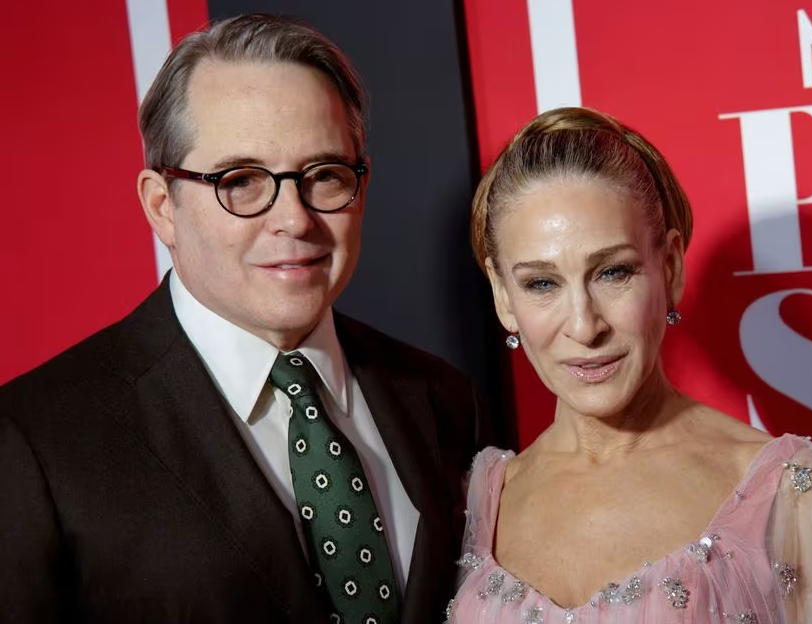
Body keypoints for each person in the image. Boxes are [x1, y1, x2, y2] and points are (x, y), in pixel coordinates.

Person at [0, 14, 489, 624]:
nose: (294, 219)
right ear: (162, 206)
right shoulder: (30, 440)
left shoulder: (441, 398)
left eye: (325, 176)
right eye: (243, 181)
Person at [446, 107, 812, 623]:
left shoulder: (789, 491)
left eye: (613, 272)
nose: (583, 325)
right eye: (541, 283)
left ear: (669, 267)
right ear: (503, 296)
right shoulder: (484, 498)